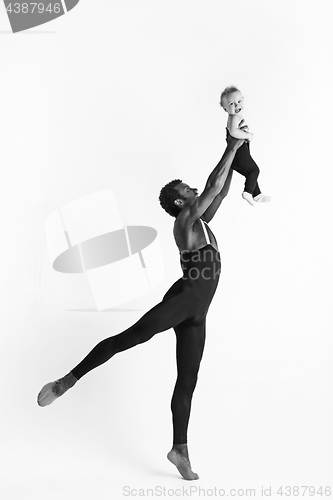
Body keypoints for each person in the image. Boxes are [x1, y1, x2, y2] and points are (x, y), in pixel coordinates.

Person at [37, 134, 245, 481]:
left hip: (197, 312)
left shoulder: (203, 223)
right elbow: (212, 184)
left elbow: (220, 190)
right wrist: (232, 148)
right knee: (129, 338)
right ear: (180, 204)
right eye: (189, 191)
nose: (196, 191)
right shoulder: (185, 224)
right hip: (183, 300)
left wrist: (238, 147)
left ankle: (179, 448)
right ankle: (66, 381)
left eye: (193, 189)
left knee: (188, 378)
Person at [220, 85, 271, 206]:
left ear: (243, 100)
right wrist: (248, 135)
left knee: (250, 173)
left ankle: (257, 195)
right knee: (254, 170)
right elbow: (233, 132)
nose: (237, 105)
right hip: (238, 152)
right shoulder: (233, 118)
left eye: (239, 101)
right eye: (231, 104)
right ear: (225, 108)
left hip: (240, 152)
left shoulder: (236, 116)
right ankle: (247, 192)